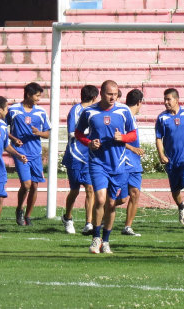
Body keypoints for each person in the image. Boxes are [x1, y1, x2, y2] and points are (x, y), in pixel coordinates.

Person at [75, 80, 136, 254]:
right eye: (109, 94)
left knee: (111, 203)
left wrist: (122, 138)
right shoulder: (89, 112)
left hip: (117, 164)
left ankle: (106, 240)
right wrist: (89, 142)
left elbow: (133, 134)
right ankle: (96, 238)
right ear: (101, 93)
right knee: (100, 199)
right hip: (97, 162)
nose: (113, 97)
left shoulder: (124, 111)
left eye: (115, 94)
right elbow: (79, 133)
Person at [6, 82, 50, 226]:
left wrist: (39, 133)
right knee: (26, 185)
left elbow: (48, 134)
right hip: (20, 153)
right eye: (37, 96)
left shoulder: (41, 112)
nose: (39, 99)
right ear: (28, 94)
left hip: (35, 153)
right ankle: (19, 209)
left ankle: (28, 216)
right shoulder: (13, 110)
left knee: (35, 186)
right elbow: (1, 127)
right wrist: (13, 139)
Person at [61, 85, 98, 235]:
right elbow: (72, 132)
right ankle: (67, 217)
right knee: (74, 190)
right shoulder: (75, 110)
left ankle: (88, 223)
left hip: (90, 157)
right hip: (75, 156)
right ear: (95, 97)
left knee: (90, 189)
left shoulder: (95, 111)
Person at [155, 88, 184, 226]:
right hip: (171, 161)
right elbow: (159, 138)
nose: (166, 102)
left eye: (168, 99)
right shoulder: (162, 118)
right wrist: (161, 154)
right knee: (175, 191)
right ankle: (181, 206)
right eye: (165, 99)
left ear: (176, 100)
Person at [0, 96, 28, 238]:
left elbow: (6, 145)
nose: (8, 110)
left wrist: (18, 155)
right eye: (6, 108)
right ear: (0, 109)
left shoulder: (2, 125)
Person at [117, 89, 145, 237]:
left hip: (134, 162)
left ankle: (127, 227)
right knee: (121, 198)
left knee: (135, 193)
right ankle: (101, 210)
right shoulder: (123, 116)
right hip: (123, 161)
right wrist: (133, 148)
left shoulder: (132, 117)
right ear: (139, 102)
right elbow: (118, 137)